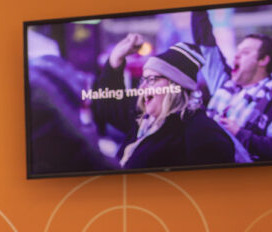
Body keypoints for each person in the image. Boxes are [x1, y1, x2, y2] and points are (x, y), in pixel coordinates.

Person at [91, 37, 235, 169]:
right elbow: (108, 106)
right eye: (143, 80)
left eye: (152, 80)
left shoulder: (202, 133)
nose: (142, 88)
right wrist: (116, 59)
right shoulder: (146, 121)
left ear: (175, 85)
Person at [191, 10, 272, 162]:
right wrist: (197, 7)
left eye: (245, 52)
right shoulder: (224, 83)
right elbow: (204, 42)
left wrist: (239, 133)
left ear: (263, 60)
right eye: (237, 51)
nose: (236, 55)